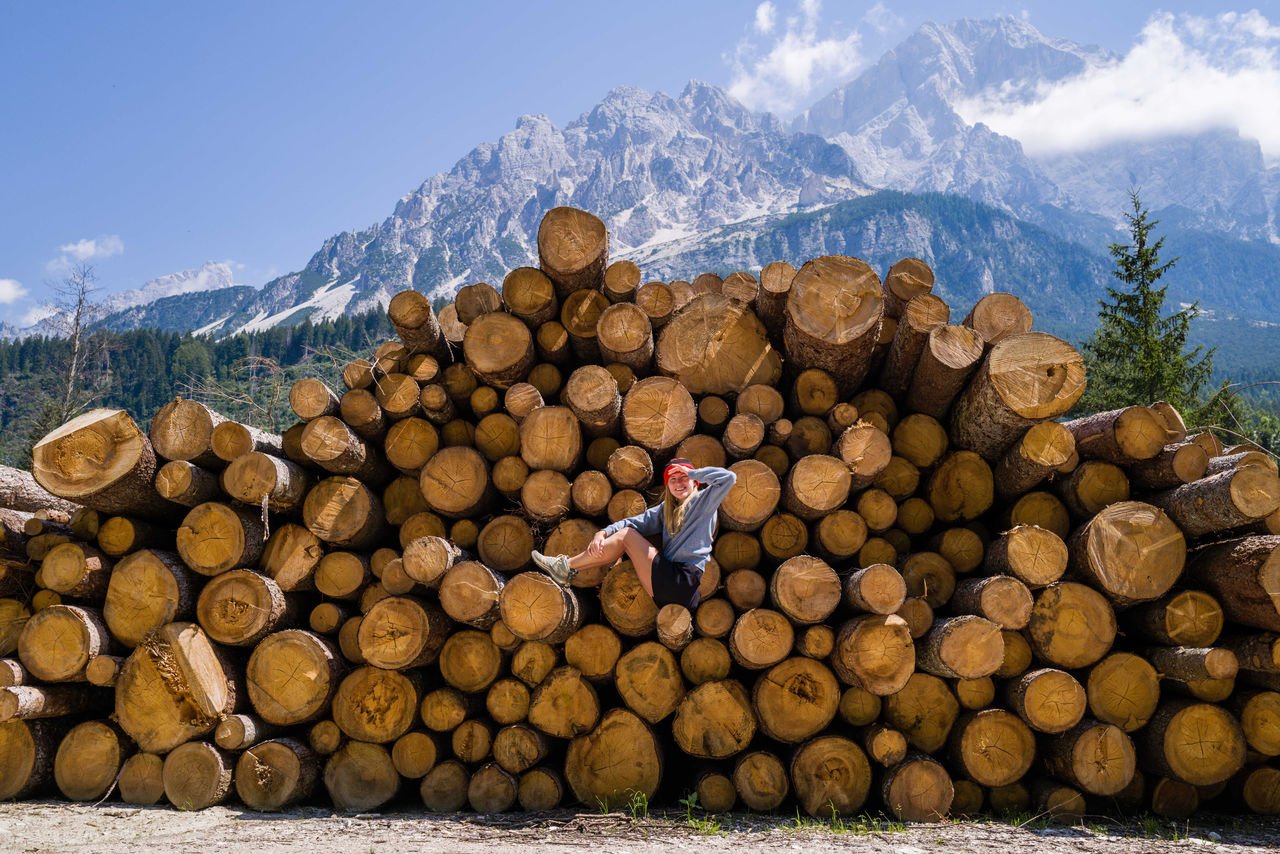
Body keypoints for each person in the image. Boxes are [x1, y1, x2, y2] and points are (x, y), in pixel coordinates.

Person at [531, 458, 736, 609]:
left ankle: (565, 567)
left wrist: (692, 472)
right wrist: (602, 533)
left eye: (683, 477)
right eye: (672, 479)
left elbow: (729, 478)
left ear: (695, 483)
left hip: (683, 580)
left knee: (627, 536)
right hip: (667, 590)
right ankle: (567, 569)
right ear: (667, 486)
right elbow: (633, 522)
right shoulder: (666, 510)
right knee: (627, 533)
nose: (679, 482)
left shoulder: (703, 502)